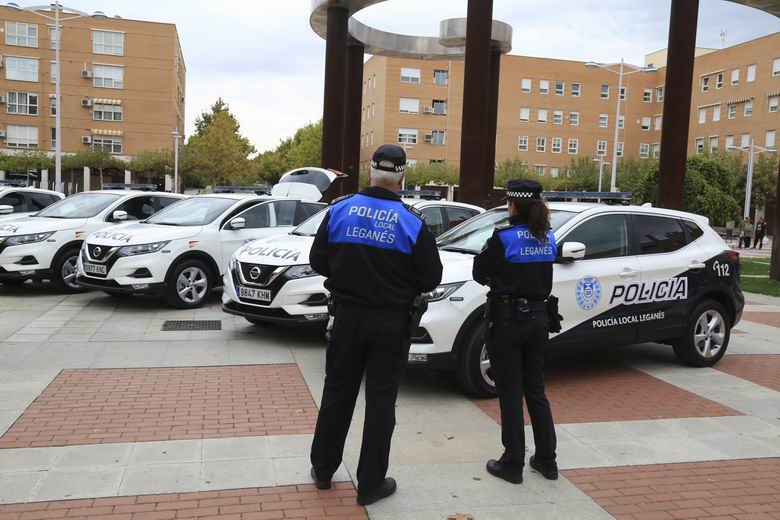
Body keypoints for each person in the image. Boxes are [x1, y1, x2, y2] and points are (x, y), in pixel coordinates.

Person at [308, 144, 443, 505]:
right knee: (381, 400)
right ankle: (370, 485)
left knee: (337, 392)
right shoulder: (412, 221)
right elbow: (431, 278)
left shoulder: (339, 211)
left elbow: (317, 260)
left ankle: (323, 470)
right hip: (391, 322)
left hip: (348, 317)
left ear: (371, 172)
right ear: (401, 176)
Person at [472, 179, 559, 485]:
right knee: (536, 391)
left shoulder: (503, 237)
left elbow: (478, 272)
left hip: (507, 321)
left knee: (510, 392)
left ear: (511, 204)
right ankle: (547, 460)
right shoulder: (548, 237)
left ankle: (512, 462)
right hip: (538, 319)